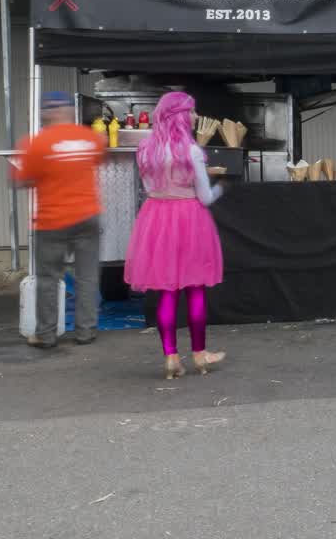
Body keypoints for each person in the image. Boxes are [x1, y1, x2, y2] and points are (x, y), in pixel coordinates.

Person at [124, 92, 227, 380]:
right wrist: (222, 187)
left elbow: (148, 187)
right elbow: (205, 198)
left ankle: (171, 357)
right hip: (190, 219)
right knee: (195, 290)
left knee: (166, 291)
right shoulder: (191, 151)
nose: (195, 117)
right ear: (180, 115)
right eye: (192, 112)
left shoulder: (145, 149)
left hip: (156, 218)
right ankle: (199, 354)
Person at [13, 91, 106, 348]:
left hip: (53, 220)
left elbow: (21, 179)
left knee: (49, 278)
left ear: (48, 112)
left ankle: (46, 335)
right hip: (88, 216)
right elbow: (99, 157)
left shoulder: (37, 143)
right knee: (87, 276)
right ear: (69, 111)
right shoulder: (90, 138)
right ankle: (86, 332)